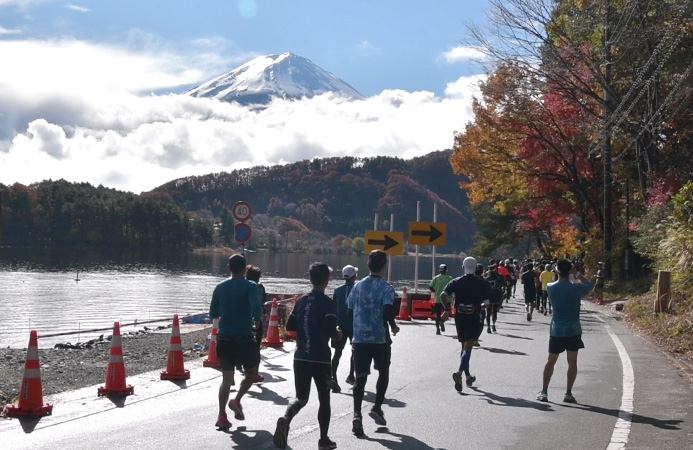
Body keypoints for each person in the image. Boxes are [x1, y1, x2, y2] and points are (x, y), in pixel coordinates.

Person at [273, 262, 339, 450]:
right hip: (321, 358)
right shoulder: (329, 304)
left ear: (310, 279)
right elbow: (329, 329)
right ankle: (324, 440)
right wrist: (338, 335)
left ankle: (286, 418)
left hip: (301, 357)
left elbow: (291, 327)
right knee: (324, 399)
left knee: (301, 398)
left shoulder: (301, 301)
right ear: (326, 280)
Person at [347, 249, 398, 436]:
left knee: (360, 377)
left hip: (359, 338)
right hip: (379, 338)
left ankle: (357, 414)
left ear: (368, 265)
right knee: (383, 372)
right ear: (384, 266)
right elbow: (387, 311)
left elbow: (349, 309)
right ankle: (376, 407)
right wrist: (392, 325)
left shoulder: (357, 286)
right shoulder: (386, 288)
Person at [209, 254, 261, 430]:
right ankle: (237, 399)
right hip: (244, 338)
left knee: (226, 379)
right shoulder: (251, 286)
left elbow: (213, 312)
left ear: (228, 268)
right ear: (245, 268)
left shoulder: (219, 287)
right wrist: (257, 319)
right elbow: (255, 305)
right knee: (252, 373)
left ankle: (221, 415)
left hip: (224, 338)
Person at [536, 259, 594, 403]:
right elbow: (590, 285)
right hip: (573, 329)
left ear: (556, 270)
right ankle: (568, 393)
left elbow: (552, 281)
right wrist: (577, 273)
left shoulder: (550, 287)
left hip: (556, 330)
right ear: (570, 271)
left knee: (550, 361)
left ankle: (544, 391)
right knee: (572, 362)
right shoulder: (576, 288)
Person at [441, 256, 491, 392]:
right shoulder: (482, 283)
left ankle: (468, 376)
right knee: (468, 348)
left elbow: (443, 295)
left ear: (463, 267)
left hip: (459, 316)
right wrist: (480, 305)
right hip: (473, 316)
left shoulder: (456, 281)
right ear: (476, 268)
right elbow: (486, 304)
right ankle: (459, 373)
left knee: (464, 346)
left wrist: (446, 309)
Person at [330, 264, 358, 393]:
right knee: (355, 351)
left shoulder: (338, 290)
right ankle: (351, 375)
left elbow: (334, 306)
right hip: (354, 325)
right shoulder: (357, 289)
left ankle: (333, 377)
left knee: (337, 353)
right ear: (354, 276)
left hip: (340, 325)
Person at [246, 265, 267, 382]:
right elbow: (261, 303)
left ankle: (236, 367)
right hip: (255, 320)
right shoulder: (260, 287)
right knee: (256, 347)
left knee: (240, 345)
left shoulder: (242, 286)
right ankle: (255, 373)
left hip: (242, 320)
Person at [430, 263, 453, 335]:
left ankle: (437, 329)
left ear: (440, 270)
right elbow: (452, 288)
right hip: (447, 299)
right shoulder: (449, 278)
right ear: (446, 270)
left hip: (437, 298)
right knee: (446, 312)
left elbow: (431, 287)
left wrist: (436, 291)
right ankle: (442, 321)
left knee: (437, 314)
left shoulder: (435, 278)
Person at [484, 264, 504, 333]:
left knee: (488, 312)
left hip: (488, 297)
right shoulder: (497, 279)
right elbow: (501, 286)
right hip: (495, 296)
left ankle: (488, 326)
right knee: (495, 311)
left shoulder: (486, 279)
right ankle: (494, 324)